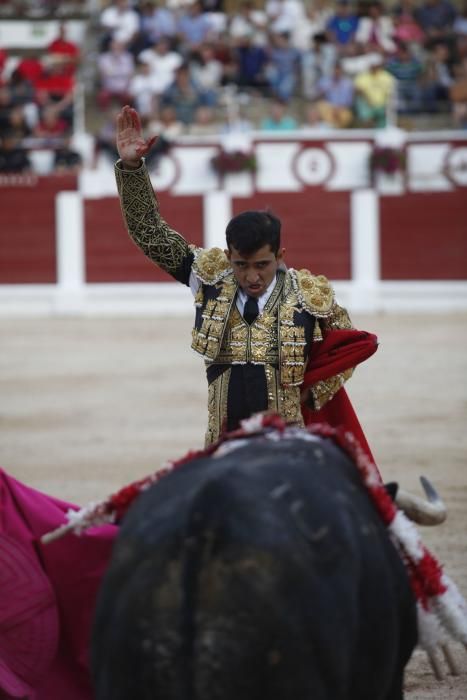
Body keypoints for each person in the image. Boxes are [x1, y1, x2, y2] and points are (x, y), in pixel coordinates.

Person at [114, 104, 377, 446]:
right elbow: (150, 232)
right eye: (241, 265)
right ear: (228, 257)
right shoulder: (209, 276)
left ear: (280, 256)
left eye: (262, 265)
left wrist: (313, 395)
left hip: (290, 441)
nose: (252, 276)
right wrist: (132, 168)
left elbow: (350, 348)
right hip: (224, 442)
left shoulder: (310, 295)